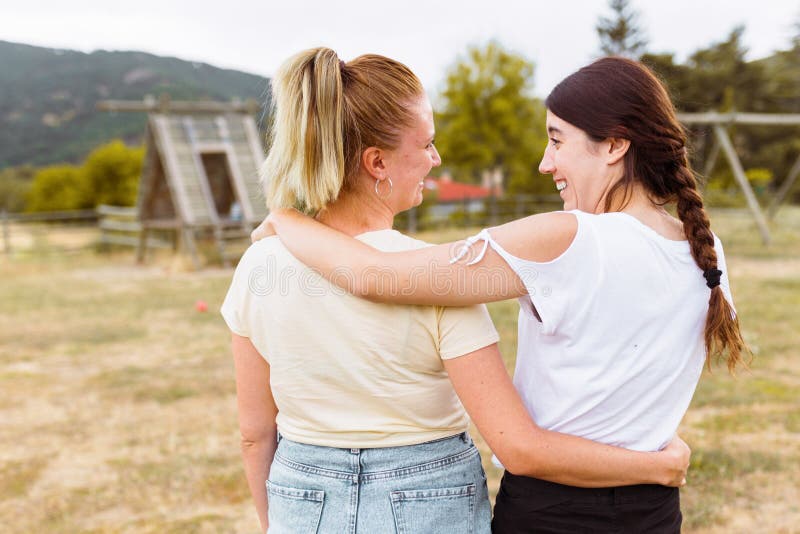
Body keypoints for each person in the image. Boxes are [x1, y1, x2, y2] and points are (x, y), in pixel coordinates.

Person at [256, 56, 746, 533]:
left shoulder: (569, 238)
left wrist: (286, 217)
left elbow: (376, 275)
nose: (544, 162)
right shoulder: (706, 250)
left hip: (554, 511)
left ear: (615, 145)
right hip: (656, 513)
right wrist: (654, 468)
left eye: (557, 141)